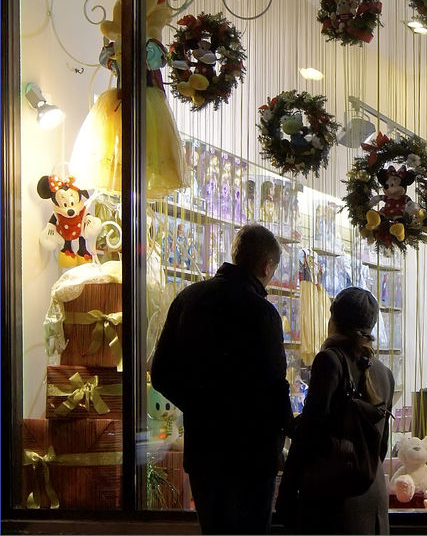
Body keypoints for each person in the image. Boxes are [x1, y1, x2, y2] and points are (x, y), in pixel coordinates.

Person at [151, 223, 292, 535]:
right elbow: (275, 386)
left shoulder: (188, 298)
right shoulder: (262, 312)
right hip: (252, 455)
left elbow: (160, 372)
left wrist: (201, 405)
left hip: (205, 450)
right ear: (267, 266)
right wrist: (291, 430)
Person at [277, 287, 395, 535]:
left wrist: (287, 491)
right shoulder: (385, 374)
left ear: (334, 320)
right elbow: (381, 446)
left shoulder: (330, 361)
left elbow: (310, 432)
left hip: (333, 502)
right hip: (373, 502)